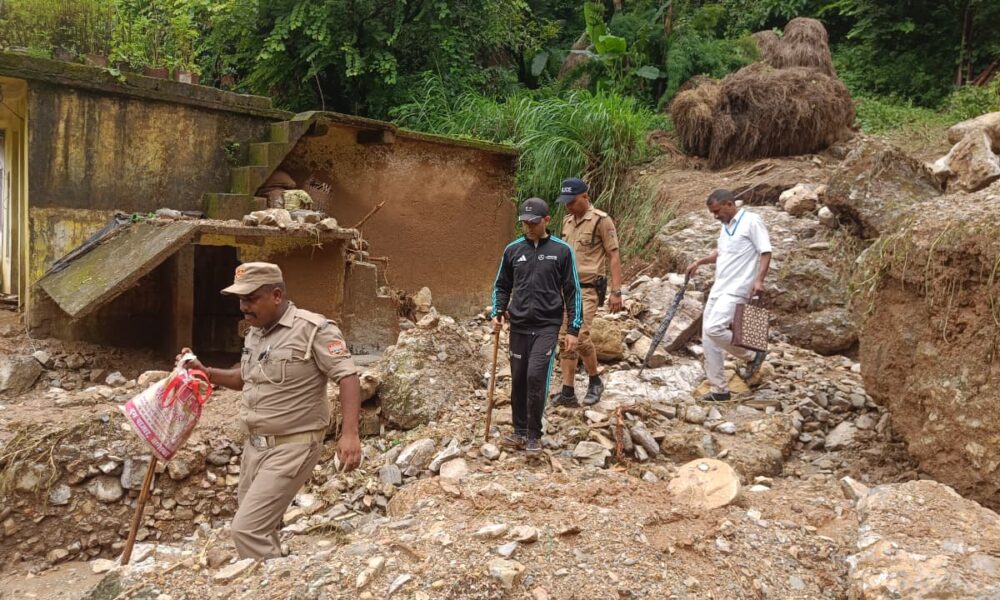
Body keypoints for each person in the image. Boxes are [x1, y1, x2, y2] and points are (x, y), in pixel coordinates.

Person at [180, 262, 362, 560]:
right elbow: (243, 377)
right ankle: (275, 577)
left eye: (251, 298)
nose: (243, 307)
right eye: (240, 300)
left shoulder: (313, 329)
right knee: (260, 525)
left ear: (276, 295)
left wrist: (350, 434)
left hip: (293, 446)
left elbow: (347, 375)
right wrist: (205, 371)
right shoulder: (256, 333)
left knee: (246, 530)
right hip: (255, 447)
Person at [491, 198, 581, 454]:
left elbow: (572, 291)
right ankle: (519, 431)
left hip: (546, 326)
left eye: (533, 222)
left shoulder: (562, 251)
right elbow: (502, 285)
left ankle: (534, 434)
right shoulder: (513, 250)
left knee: (535, 376)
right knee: (518, 378)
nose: (528, 227)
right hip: (518, 324)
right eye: (524, 223)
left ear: (546, 221)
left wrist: (573, 329)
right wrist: (498, 312)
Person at [686, 189, 772, 401]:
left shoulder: (752, 221)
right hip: (719, 287)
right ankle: (719, 390)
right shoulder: (726, 227)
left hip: (738, 288)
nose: (715, 216)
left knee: (715, 328)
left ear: (729, 204)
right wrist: (699, 261)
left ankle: (752, 354)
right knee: (708, 337)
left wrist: (759, 280)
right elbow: (720, 253)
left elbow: (765, 251)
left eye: (717, 211)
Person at [552, 177, 623, 407]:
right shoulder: (567, 222)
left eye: (572, 201)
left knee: (579, 335)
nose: (568, 206)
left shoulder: (601, 221)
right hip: (565, 290)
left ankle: (594, 380)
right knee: (564, 340)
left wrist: (616, 291)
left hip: (588, 289)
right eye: (566, 202)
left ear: (585, 197)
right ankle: (568, 390)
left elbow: (614, 255)